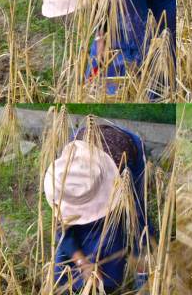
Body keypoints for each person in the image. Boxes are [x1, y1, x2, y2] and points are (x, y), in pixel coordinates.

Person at [29, 0, 176, 95]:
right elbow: (100, 1)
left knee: (151, 51)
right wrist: (101, 37)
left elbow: (139, 37)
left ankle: (154, 93)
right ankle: (92, 94)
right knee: (99, 53)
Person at [44, 123, 154, 292]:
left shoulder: (122, 173)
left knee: (125, 226)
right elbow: (61, 228)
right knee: (64, 263)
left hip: (122, 158)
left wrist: (142, 254)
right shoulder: (66, 178)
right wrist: (82, 262)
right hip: (85, 149)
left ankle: (141, 278)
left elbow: (138, 219)